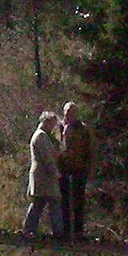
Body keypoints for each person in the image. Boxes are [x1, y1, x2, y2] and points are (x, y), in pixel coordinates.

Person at [56, 100, 96, 240]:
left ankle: (79, 232)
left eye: (72, 113)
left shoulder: (83, 129)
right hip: (62, 169)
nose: (69, 115)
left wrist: (89, 168)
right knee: (64, 201)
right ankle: (66, 232)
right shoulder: (58, 128)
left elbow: (89, 150)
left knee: (79, 200)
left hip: (79, 168)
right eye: (67, 112)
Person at [23, 111, 63, 237]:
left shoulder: (41, 135)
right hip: (44, 176)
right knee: (54, 203)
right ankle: (57, 232)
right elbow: (48, 158)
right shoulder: (41, 137)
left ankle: (29, 228)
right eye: (52, 124)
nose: (53, 127)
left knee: (38, 203)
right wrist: (55, 173)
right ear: (46, 122)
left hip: (42, 176)